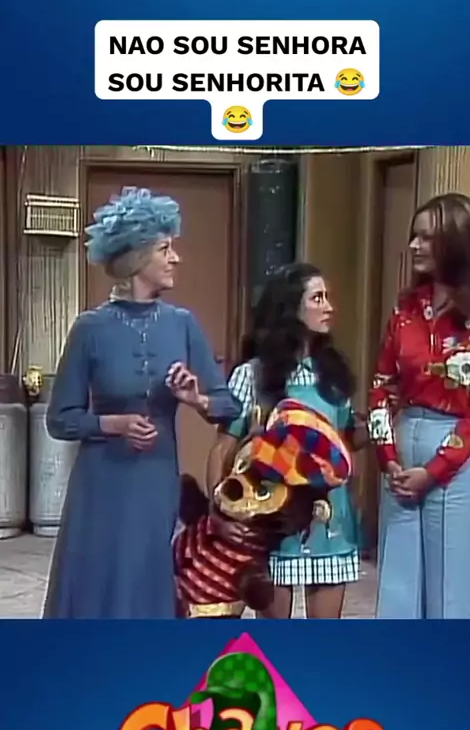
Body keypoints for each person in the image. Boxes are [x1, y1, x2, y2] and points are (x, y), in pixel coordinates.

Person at [42, 186, 240, 619]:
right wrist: (112, 425)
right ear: (136, 257)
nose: (175, 258)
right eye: (165, 249)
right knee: (97, 580)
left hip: (155, 480)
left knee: (145, 577)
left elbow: (229, 408)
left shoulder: (182, 324)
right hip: (101, 482)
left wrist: (195, 397)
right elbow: (59, 419)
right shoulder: (90, 329)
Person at [207, 262, 366, 619]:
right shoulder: (253, 374)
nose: (329, 307)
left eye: (328, 297)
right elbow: (223, 447)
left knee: (324, 644)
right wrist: (219, 513)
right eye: (318, 298)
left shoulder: (334, 374)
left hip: (329, 522)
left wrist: (376, 425)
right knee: (275, 641)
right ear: (291, 307)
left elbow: (344, 443)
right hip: (271, 523)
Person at [368, 192, 470, 619]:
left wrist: (433, 471)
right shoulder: (406, 309)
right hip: (402, 452)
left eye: (427, 237)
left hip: (459, 457)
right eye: (414, 236)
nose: (414, 245)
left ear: (456, 243)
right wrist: (388, 457)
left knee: (450, 594)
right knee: (398, 589)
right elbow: (382, 386)